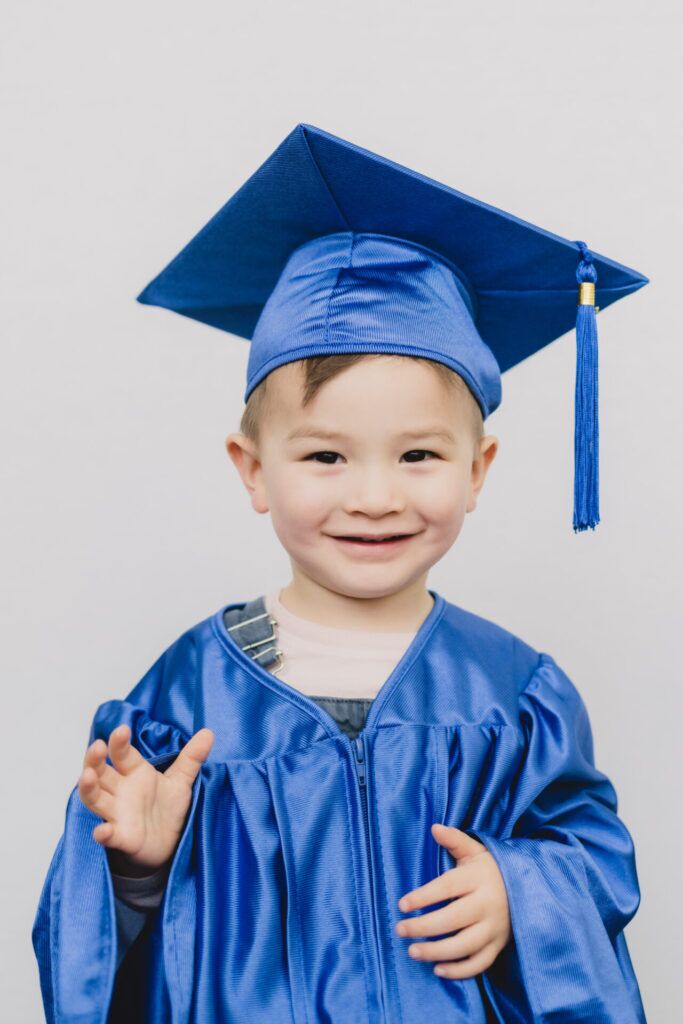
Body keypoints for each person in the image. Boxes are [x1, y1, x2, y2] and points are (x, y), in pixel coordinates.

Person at [32, 123, 649, 1023]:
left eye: (418, 456)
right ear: (252, 470)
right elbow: (95, 950)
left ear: (477, 472)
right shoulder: (183, 697)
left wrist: (520, 889)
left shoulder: (515, 693)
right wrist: (138, 871)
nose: (372, 496)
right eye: (325, 457)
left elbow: (595, 858)